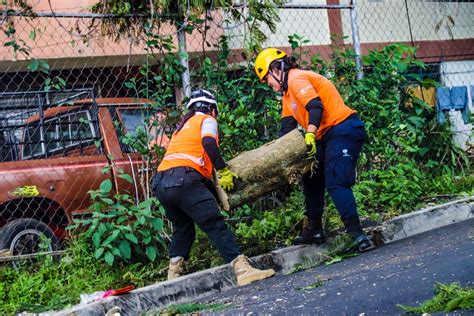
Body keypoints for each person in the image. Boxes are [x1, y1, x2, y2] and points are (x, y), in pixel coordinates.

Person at [153, 89, 275, 285]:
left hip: (162, 183)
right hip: (185, 181)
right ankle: (243, 271)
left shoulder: (181, 128)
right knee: (214, 224)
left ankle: (172, 279)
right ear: (212, 109)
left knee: (183, 229)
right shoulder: (207, 120)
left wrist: (214, 195)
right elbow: (208, 143)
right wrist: (223, 170)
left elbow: (194, 170)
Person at [254, 48, 371, 252]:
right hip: (325, 136)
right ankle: (314, 230)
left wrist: (309, 132)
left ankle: (357, 235)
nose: (267, 84)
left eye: (266, 79)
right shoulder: (287, 95)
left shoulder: (296, 79)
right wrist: (276, 159)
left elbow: (315, 107)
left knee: (336, 181)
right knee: (311, 174)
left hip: (342, 128)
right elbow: (286, 129)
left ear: (276, 69)